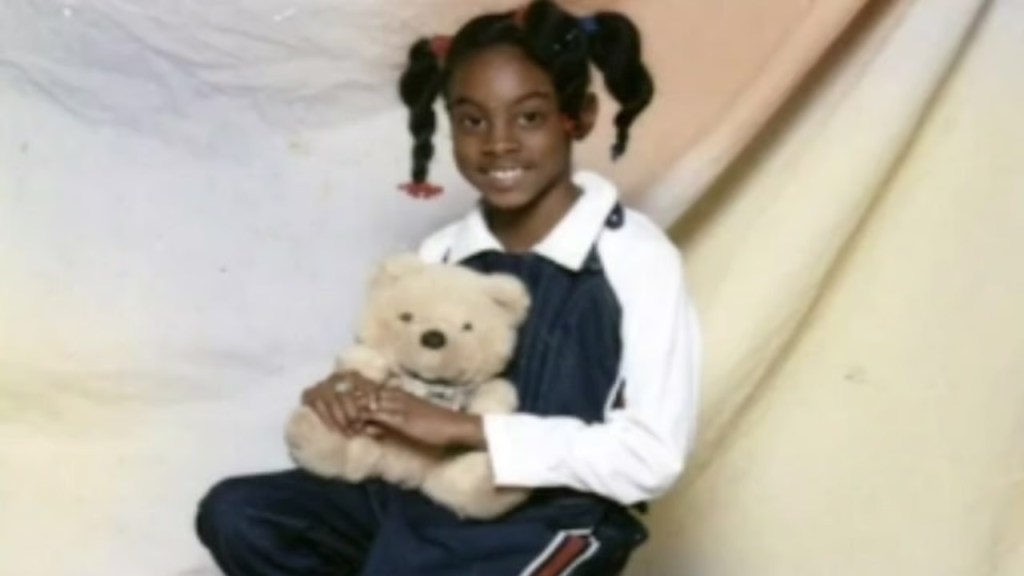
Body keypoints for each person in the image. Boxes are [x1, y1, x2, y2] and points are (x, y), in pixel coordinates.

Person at [195, 1, 701, 574]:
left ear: (577, 118)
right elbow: (395, 374)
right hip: (427, 494)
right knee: (242, 514)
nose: (499, 143)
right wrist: (346, 392)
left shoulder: (634, 258)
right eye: (472, 120)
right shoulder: (442, 252)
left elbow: (652, 458)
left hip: (553, 517)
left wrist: (468, 429)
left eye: (529, 117)